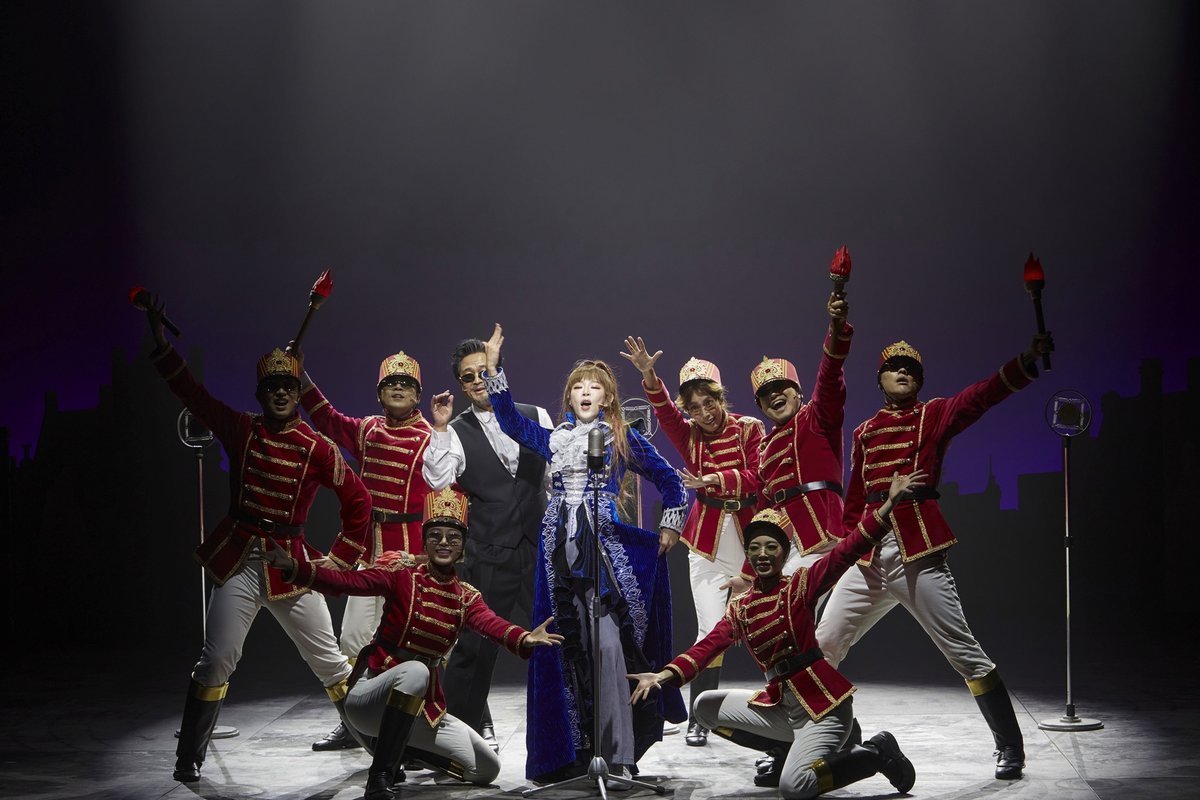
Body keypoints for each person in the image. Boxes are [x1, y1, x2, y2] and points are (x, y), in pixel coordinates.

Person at [139, 294, 372, 784]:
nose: (282, 394)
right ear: (261, 392)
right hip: (242, 560)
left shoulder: (318, 447)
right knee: (217, 658)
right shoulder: (241, 428)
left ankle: (376, 747)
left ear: (297, 391)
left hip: (292, 565)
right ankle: (189, 756)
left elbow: (359, 502)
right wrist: (160, 340)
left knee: (330, 663)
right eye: (273, 387)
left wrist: (337, 560)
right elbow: (192, 394)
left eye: (289, 386)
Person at [816, 333, 1054, 780]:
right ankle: (837, 739)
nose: (903, 372)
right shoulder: (864, 432)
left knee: (962, 650)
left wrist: (1024, 360)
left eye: (911, 368)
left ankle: (1010, 746)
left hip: (915, 546)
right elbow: (855, 499)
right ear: (880, 379)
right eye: (894, 367)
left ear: (920, 380)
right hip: (870, 554)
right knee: (823, 644)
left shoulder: (934, 414)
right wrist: (847, 547)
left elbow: (981, 396)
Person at [628, 471, 925, 799]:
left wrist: (887, 507)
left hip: (822, 706)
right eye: (755, 548)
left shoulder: (800, 585)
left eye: (772, 547)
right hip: (781, 706)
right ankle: (785, 751)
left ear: (783, 554)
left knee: (794, 788)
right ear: (748, 555)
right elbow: (708, 646)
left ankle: (875, 753)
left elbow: (846, 552)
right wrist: (662, 675)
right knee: (704, 707)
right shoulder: (741, 607)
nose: (763, 554)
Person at [257, 485, 564, 800]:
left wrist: (524, 637)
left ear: (462, 545)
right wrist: (294, 567)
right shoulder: (402, 577)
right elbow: (348, 581)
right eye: (435, 536)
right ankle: (380, 777)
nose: (443, 543)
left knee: (486, 769)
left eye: (453, 537)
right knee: (417, 670)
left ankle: (404, 747)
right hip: (371, 699)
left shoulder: (465, 596)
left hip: (423, 707)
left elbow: (491, 623)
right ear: (425, 541)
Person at [478, 324, 688, 783]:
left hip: (603, 550)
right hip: (557, 548)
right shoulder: (555, 438)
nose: (586, 392)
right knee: (561, 644)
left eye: (595, 387)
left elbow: (671, 480)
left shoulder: (620, 438)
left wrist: (670, 526)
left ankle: (616, 752)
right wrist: (494, 370)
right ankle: (569, 756)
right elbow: (510, 421)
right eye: (578, 387)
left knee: (608, 645)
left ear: (607, 398)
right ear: (569, 398)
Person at [620, 339, 764, 747]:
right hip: (706, 544)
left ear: (720, 398)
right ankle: (701, 715)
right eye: (695, 407)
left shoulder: (750, 428)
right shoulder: (689, 437)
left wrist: (715, 479)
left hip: (751, 543)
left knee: (763, 626)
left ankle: (784, 704)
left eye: (709, 403)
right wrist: (649, 375)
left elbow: (759, 477)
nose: (703, 413)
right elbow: (664, 411)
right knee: (709, 629)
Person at [297, 347, 435, 752]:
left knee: (411, 644)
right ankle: (356, 723)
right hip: (367, 553)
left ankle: (418, 726)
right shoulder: (368, 430)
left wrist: (428, 557)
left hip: (409, 555)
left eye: (406, 384)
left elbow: (448, 497)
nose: (398, 388)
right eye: (391, 383)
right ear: (379, 393)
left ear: (417, 393)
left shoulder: (433, 438)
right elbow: (326, 418)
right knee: (353, 639)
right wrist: (302, 377)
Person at [421, 337, 553, 752]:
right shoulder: (456, 430)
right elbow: (438, 480)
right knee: (475, 649)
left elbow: (554, 478)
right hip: (489, 553)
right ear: (461, 385)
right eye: (468, 376)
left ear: (498, 371)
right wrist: (439, 428)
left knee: (556, 638)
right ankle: (456, 743)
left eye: (484, 371)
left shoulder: (535, 415)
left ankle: (567, 736)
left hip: (538, 550)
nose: (478, 380)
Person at [749, 292, 853, 577]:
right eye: (766, 394)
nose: (774, 395)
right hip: (786, 545)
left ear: (798, 393)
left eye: (781, 387)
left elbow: (829, 376)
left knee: (789, 599)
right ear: (760, 406)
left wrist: (836, 329)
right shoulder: (764, 449)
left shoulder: (816, 417)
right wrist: (747, 574)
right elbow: (762, 512)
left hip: (825, 535)